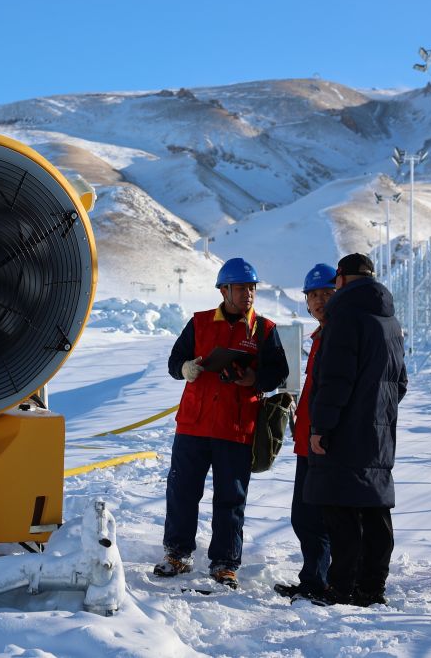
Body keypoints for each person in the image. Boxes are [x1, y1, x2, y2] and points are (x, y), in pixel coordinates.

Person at [154, 257, 289, 588]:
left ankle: (225, 563)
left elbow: (278, 373)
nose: (249, 294)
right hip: (193, 425)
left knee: (231, 497)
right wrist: (185, 369)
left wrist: (253, 378)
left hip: (236, 427)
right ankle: (177, 554)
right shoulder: (199, 323)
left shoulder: (265, 329)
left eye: (253, 288)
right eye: (242, 288)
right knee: (183, 491)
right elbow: (174, 362)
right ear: (224, 290)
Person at [304, 253, 407, 607]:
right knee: (376, 511)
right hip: (380, 433)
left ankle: (342, 588)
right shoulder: (390, 321)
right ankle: (372, 588)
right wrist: (377, 408)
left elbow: (335, 381)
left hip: (345, 433)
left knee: (341, 510)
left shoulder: (344, 318)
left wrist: (322, 427)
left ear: (342, 279)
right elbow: (401, 383)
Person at [273, 263, 335, 602]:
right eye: (315, 296)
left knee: (319, 518)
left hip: (325, 443)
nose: (321, 301)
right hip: (306, 442)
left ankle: (325, 582)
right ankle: (314, 579)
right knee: (305, 516)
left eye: (328, 294)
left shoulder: (338, 336)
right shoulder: (320, 337)